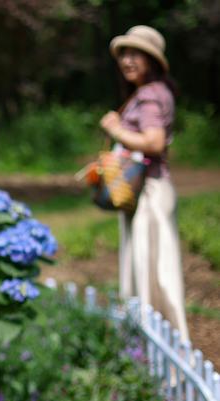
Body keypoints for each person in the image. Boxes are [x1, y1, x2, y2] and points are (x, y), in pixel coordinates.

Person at [99, 25, 189, 342]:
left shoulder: (150, 95)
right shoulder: (149, 93)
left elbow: (154, 142)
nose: (127, 60)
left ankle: (162, 344)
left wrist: (115, 130)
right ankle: (147, 342)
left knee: (155, 271)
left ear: (152, 61)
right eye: (124, 54)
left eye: (136, 54)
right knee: (147, 268)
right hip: (147, 192)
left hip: (151, 192)